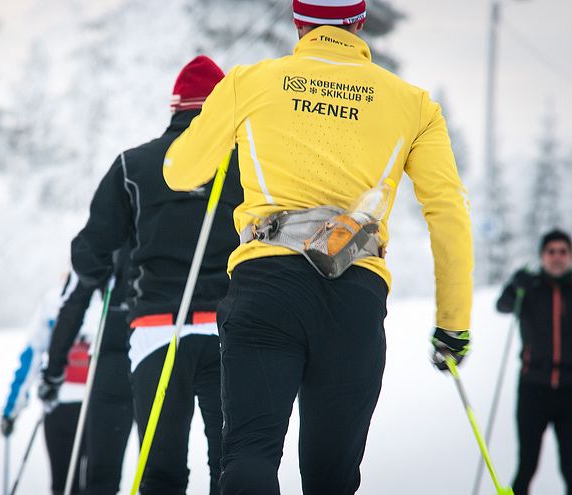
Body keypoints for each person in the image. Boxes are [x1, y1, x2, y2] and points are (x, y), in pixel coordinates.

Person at [163, 2, 474, 493]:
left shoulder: (251, 81)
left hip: (266, 286)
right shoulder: (412, 103)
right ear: (359, 21)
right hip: (354, 294)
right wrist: (452, 324)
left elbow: (180, 173)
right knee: (331, 476)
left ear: (299, 22)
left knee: (248, 454)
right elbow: (448, 214)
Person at [69, 55, 242, 494]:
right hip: (228, 332)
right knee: (231, 465)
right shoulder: (249, 167)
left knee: (161, 472)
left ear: (175, 107)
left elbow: (88, 254)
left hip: (156, 335)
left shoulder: (134, 166)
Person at [41, 247, 134, 495]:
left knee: (97, 476)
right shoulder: (53, 303)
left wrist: (51, 375)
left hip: (100, 384)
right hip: (73, 398)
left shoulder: (91, 291)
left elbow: (72, 313)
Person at [497, 229, 572, 495]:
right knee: (527, 465)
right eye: (551, 251)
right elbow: (503, 305)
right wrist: (514, 285)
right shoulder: (531, 287)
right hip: (533, 389)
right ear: (542, 256)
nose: (557, 257)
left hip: (569, 391)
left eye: (563, 251)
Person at [1, 273, 90, 495]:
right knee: (96, 485)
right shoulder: (109, 299)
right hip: (97, 407)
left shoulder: (53, 302)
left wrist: (11, 411)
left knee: (63, 485)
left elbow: (31, 357)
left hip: (60, 405)